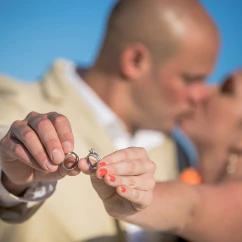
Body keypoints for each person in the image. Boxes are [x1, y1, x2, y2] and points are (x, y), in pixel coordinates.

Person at [0, 0, 221, 241]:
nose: (202, 96)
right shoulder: (12, 104)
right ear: (135, 61)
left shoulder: (179, 154)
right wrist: (11, 182)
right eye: (191, 79)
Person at [107, 70, 242, 242]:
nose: (202, 93)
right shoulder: (179, 160)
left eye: (226, 89)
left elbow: (191, 209)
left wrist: (132, 193)